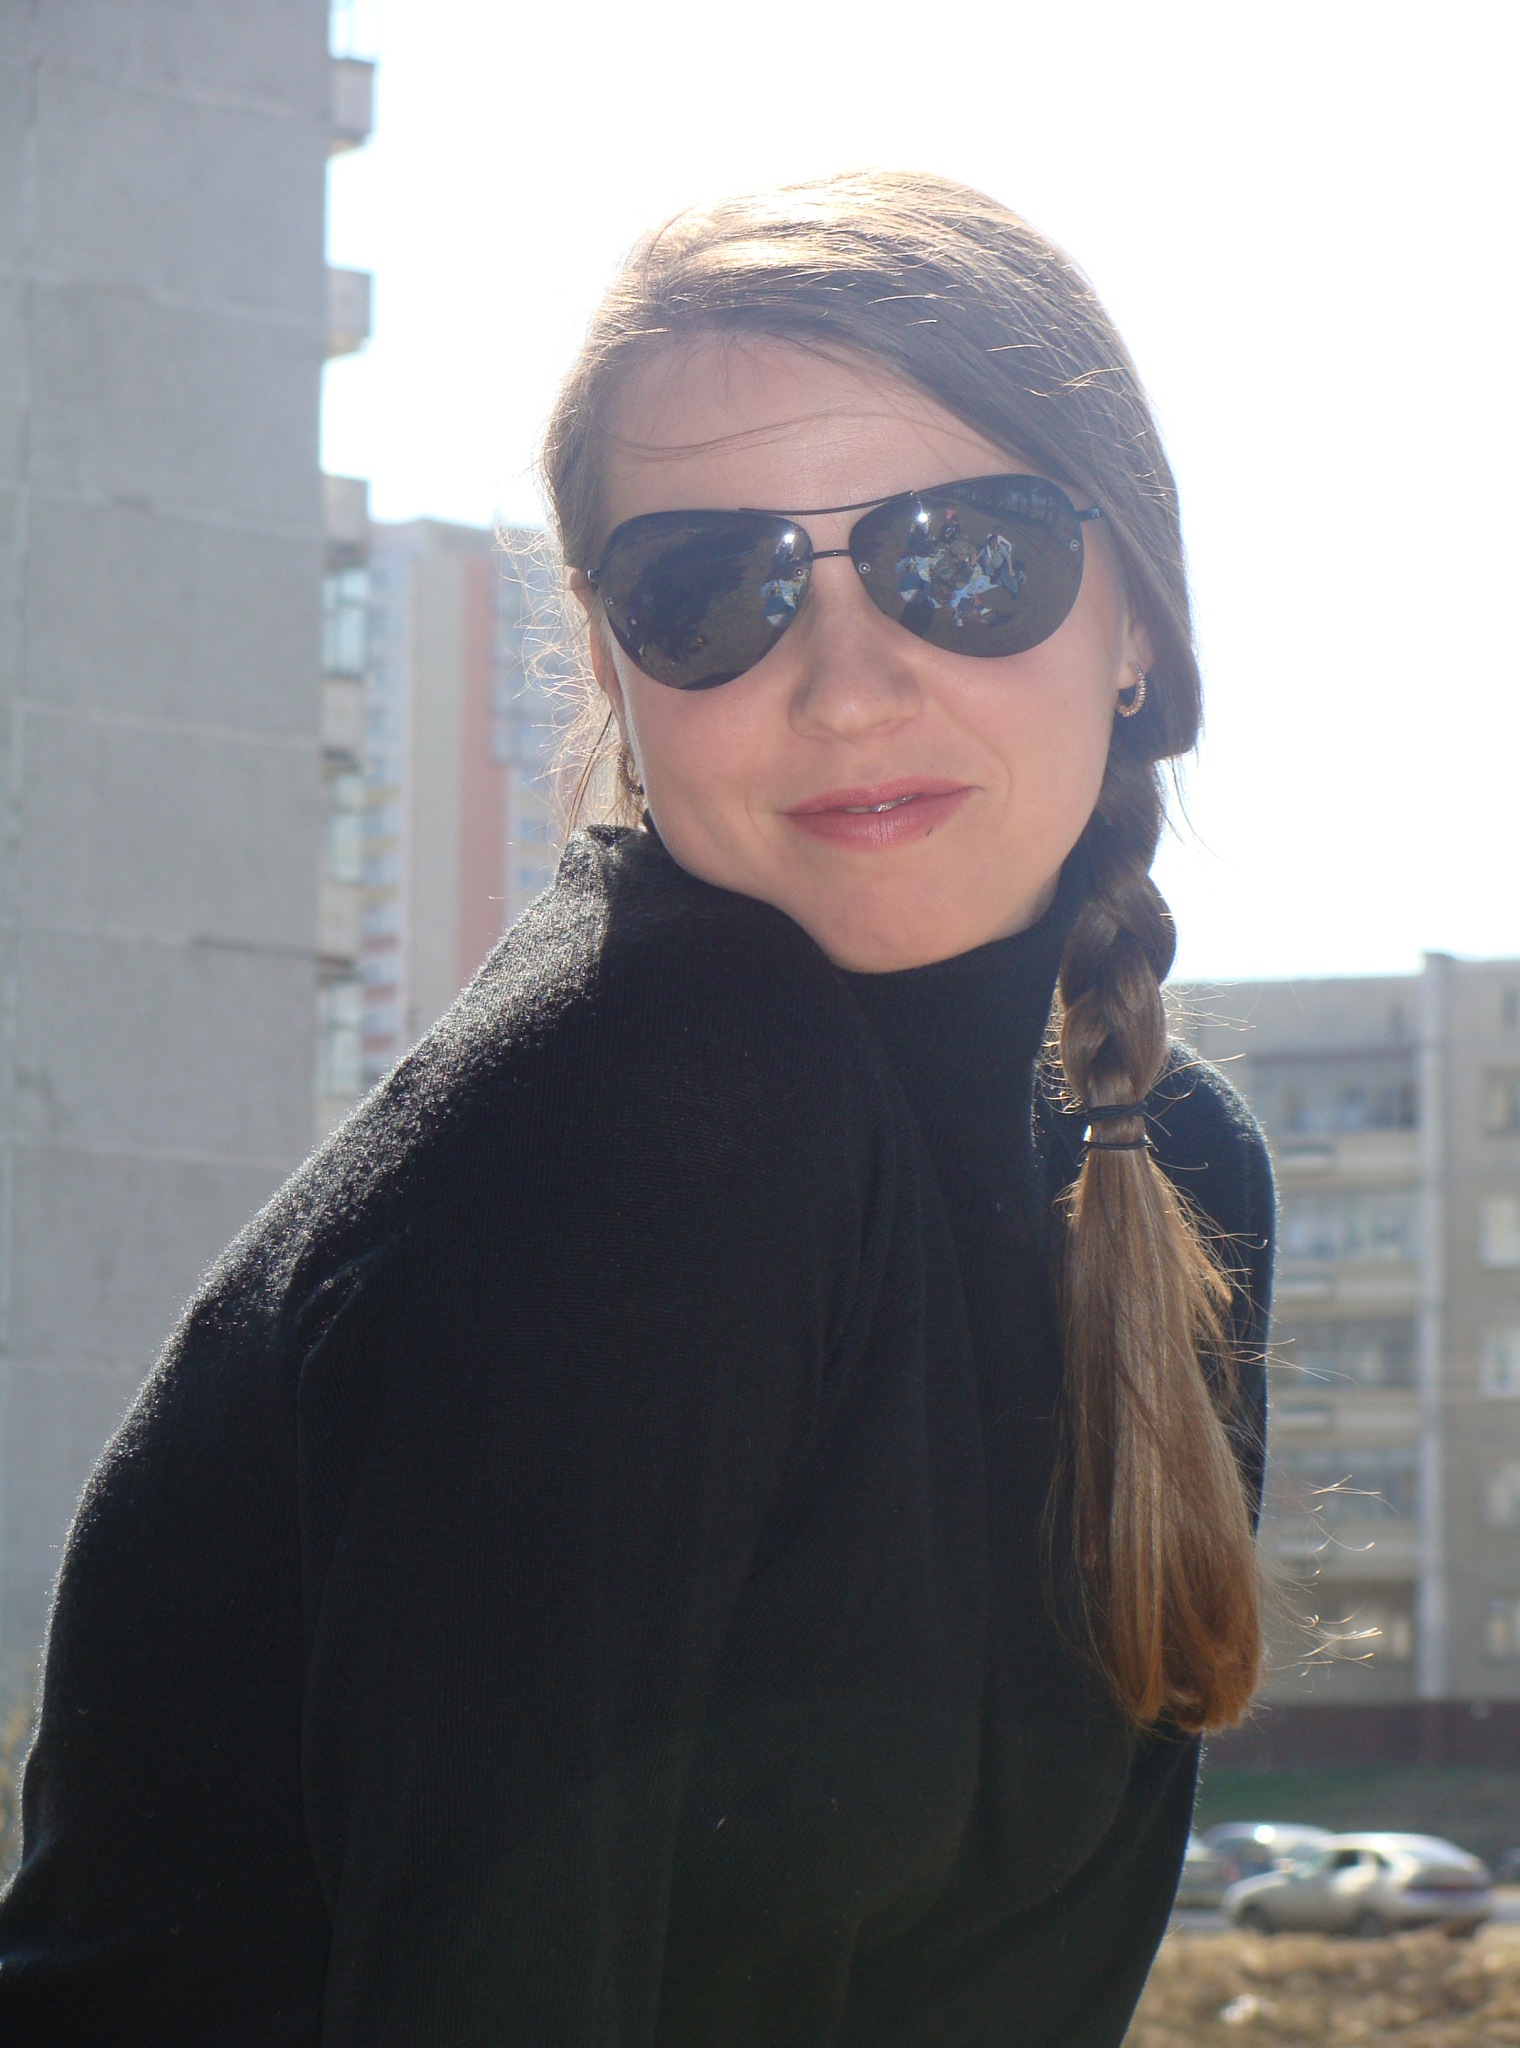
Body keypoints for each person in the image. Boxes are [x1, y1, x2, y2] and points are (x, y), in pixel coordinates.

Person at [0, 172, 1274, 2046]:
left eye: (965, 558)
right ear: (612, 665)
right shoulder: (667, 1102)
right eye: (708, 590)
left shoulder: (1159, 1159)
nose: (849, 686)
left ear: (1138, 617)